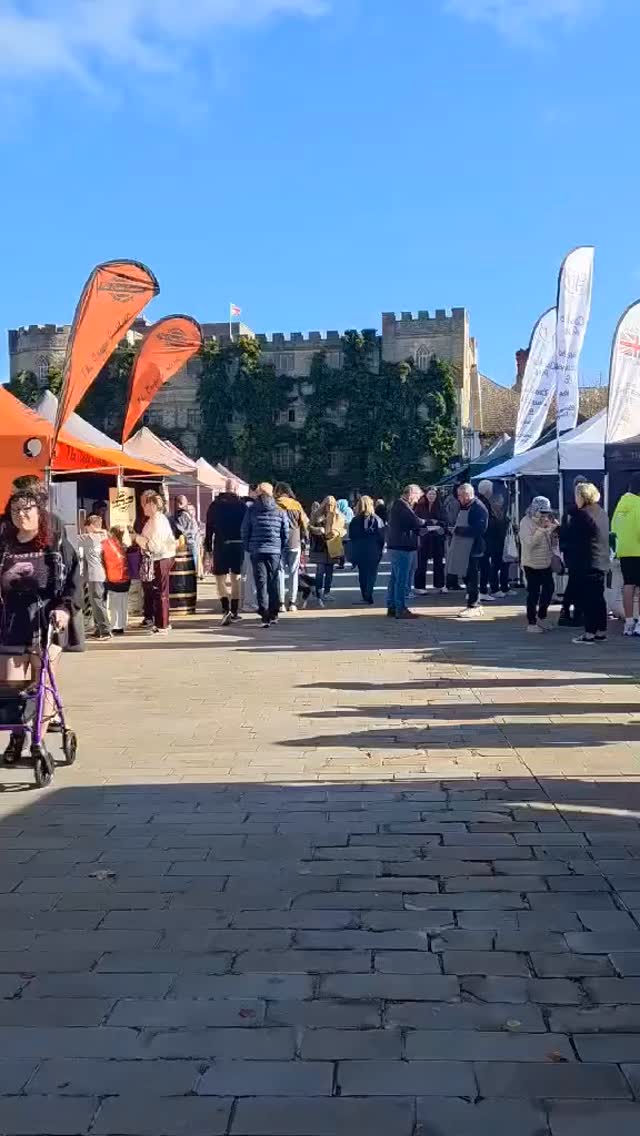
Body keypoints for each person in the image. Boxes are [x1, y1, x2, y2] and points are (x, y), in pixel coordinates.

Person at [0, 487, 82, 762]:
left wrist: (64, 608)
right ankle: (18, 735)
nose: (21, 515)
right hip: (11, 619)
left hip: (46, 619)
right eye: (15, 510)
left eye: (27, 509)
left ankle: (38, 740)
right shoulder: (5, 544)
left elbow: (73, 581)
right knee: (13, 684)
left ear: (39, 512)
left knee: (42, 680)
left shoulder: (55, 544)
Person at [241, 482, 289, 628]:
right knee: (273, 581)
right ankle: (274, 613)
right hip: (274, 550)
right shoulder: (280, 510)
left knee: (260, 582)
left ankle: (264, 614)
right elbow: (285, 532)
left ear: (258, 493)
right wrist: (280, 547)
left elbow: (245, 530)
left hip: (257, 550)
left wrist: (248, 546)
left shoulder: (251, 510)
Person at [571, 482, 611, 644]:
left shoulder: (584, 515)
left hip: (589, 562)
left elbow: (580, 540)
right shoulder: (602, 512)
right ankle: (601, 631)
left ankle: (589, 633)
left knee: (588, 599)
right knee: (599, 598)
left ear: (582, 497)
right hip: (603, 560)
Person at [205, 480, 247, 627]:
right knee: (236, 578)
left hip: (221, 545)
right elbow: (247, 527)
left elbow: (209, 529)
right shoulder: (242, 506)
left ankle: (225, 608)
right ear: (236, 489)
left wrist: (208, 548)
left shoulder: (215, 505)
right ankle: (234, 611)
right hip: (238, 545)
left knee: (220, 579)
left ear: (225, 488)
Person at [134, 493, 177, 636]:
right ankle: (161, 623)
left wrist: (137, 538)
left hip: (161, 558)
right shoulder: (154, 519)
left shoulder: (157, 520)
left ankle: (163, 625)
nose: (143, 507)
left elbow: (154, 546)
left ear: (152, 505)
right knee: (157, 591)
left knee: (161, 592)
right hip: (159, 558)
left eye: (145, 504)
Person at [519, 496, 558, 634]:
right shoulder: (525, 522)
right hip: (531, 564)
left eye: (547, 512)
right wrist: (542, 530)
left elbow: (549, 543)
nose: (545, 515)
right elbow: (529, 543)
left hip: (545, 562)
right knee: (533, 593)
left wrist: (553, 532)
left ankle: (542, 617)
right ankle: (531, 623)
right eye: (543, 512)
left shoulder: (547, 520)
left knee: (549, 589)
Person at [386, 484, 424, 619]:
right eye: (417, 496)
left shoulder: (398, 505)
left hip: (396, 546)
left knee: (395, 578)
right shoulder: (403, 506)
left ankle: (392, 606)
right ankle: (400, 608)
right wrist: (427, 522)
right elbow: (416, 522)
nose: (418, 500)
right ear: (411, 494)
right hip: (402, 547)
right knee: (401, 579)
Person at [451, 484, 489, 619]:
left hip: (474, 547)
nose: (459, 498)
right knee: (466, 575)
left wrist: (460, 530)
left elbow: (480, 528)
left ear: (467, 495)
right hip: (464, 546)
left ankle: (474, 605)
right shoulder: (467, 506)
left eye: (460, 496)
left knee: (471, 576)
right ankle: (474, 603)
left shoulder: (478, 507)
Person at [558, 474, 588, 627]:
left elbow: (564, 531)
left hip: (571, 551)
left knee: (575, 581)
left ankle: (569, 611)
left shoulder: (569, 508)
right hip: (578, 551)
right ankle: (575, 612)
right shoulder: (579, 509)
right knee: (577, 582)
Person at [612, 472, 640, 637]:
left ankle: (628, 623)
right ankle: (639, 623)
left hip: (623, 551)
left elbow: (614, 528)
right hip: (639, 550)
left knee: (628, 585)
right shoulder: (638, 503)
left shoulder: (621, 504)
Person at [275, 482, 309, 613]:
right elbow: (305, 523)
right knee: (294, 573)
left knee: (280, 572)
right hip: (294, 542)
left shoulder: (275, 504)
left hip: (279, 543)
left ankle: (281, 603)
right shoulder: (296, 505)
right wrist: (305, 539)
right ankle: (292, 602)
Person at [309, 496, 346, 607]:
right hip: (320, 546)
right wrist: (317, 529)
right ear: (323, 505)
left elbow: (343, 530)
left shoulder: (338, 516)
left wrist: (337, 532)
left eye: (332, 505)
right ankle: (318, 592)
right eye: (327, 505)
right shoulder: (316, 514)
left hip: (332, 545)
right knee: (320, 571)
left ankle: (326, 592)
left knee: (329, 571)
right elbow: (309, 527)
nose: (329, 507)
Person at [349, 495, 386, 605]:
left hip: (360, 549)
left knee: (362, 573)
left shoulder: (355, 520)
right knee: (372, 574)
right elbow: (382, 536)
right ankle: (369, 594)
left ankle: (365, 595)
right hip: (374, 549)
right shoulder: (377, 519)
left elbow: (351, 536)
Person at [80, 514, 111, 640]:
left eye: (86, 527)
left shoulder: (89, 538)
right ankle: (99, 629)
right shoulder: (104, 536)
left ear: (91, 526)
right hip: (102, 574)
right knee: (99, 602)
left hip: (95, 575)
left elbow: (72, 538)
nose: (85, 529)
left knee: (97, 603)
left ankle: (105, 630)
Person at [414, 487, 446, 593]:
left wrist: (438, 523)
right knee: (421, 563)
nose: (431, 496)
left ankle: (440, 585)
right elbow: (417, 520)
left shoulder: (440, 507)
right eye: (430, 494)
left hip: (437, 538)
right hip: (424, 538)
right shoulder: (420, 506)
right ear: (426, 495)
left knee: (439, 562)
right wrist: (430, 521)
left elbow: (445, 521)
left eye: (434, 494)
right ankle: (420, 587)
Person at [102, 526, 131, 636]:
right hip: (125, 578)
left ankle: (115, 626)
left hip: (114, 577)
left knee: (114, 605)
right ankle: (122, 624)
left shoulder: (108, 543)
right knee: (123, 603)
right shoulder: (123, 545)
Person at [443, 486, 462, 590]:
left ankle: (451, 582)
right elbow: (453, 519)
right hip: (453, 533)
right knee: (453, 560)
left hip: (449, 533)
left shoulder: (449, 500)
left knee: (451, 559)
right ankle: (452, 582)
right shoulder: (454, 502)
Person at [336, 499, 354, 569]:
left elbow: (347, 521)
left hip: (345, 533)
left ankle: (351, 563)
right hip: (345, 533)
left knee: (346, 550)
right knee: (343, 550)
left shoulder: (346, 511)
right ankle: (342, 563)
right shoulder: (342, 511)